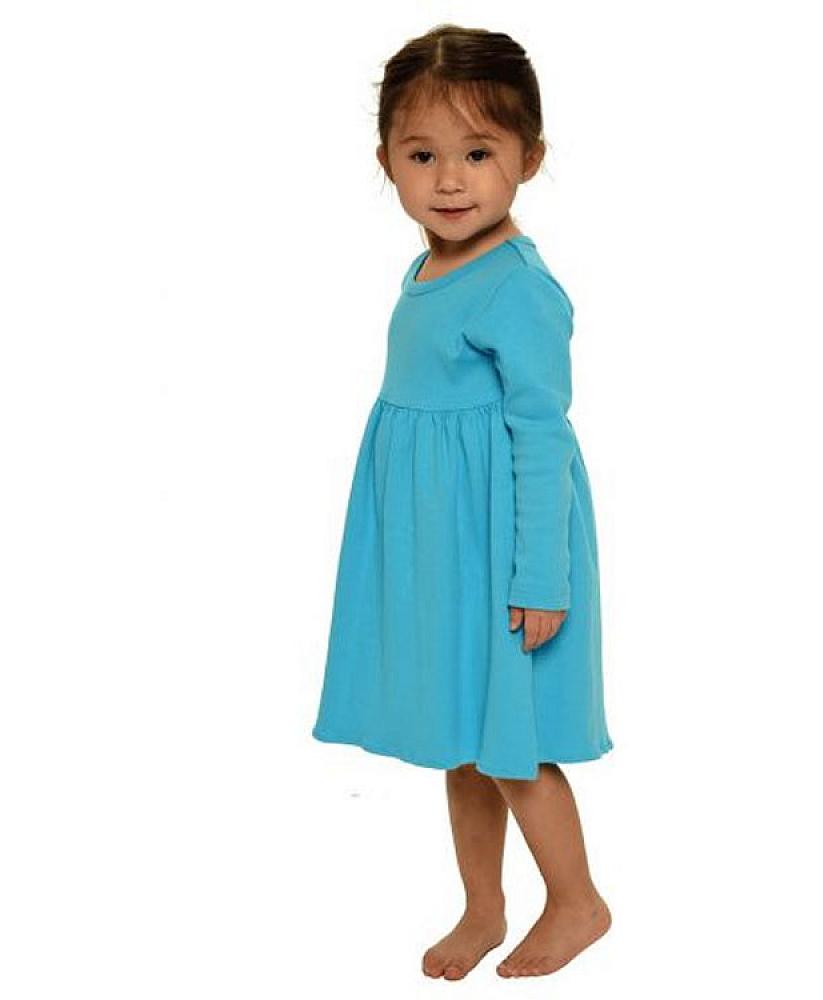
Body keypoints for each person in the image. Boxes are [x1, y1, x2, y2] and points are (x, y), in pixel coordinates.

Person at [312, 23, 614, 980]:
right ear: (386, 163)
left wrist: (540, 577)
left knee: (514, 746)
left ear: (529, 158)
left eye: (479, 153)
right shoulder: (429, 266)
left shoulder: (518, 288)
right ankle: (484, 906)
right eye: (423, 155)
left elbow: (541, 439)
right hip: (444, 552)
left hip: (503, 553)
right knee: (464, 738)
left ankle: (578, 901)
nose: (450, 180)